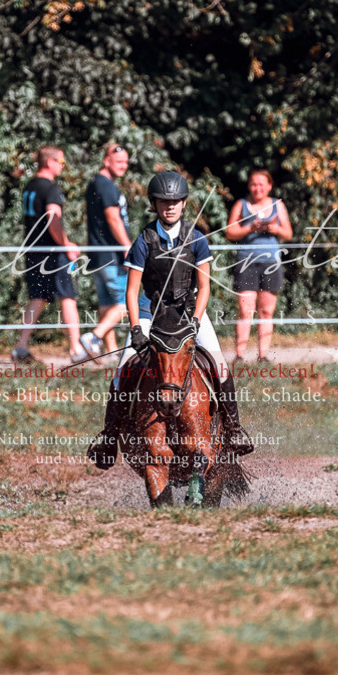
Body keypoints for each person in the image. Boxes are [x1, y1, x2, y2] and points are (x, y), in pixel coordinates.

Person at [87, 170, 254, 467]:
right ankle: (109, 439)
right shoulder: (143, 241)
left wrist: (197, 320)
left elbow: (204, 287)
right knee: (122, 370)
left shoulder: (198, 239)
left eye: (176, 201)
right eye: (164, 201)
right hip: (151, 313)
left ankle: (233, 429)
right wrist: (136, 328)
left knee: (219, 365)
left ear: (184, 203)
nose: (170, 206)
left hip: (188, 314)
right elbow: (132, 289)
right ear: (155, 204)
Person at [12, 144, 86, 363]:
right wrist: (67, 245)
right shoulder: (50, 189)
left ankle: (21, 347)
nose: (63, 166)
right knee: (68, 296)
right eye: (61, 162)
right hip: (52, 252)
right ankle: (76, 350)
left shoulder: (30, 187)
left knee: (38, 297)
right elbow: (53, 220)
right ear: (50, 162)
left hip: (33, 249)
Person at [225, 168, 293, 362]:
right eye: (254, 184)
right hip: (246, 261)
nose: (258, 188)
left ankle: (263, 355)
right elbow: (230, 232)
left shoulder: (277, 205)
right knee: (245, 309)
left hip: (271, 262)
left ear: (269, 186)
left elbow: (288, 233)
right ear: (249, 186)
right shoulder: (241, 205)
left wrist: (276, 228)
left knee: (266, 311)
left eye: (262, 184)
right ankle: (239, 355)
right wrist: (250, 228)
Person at [80, 142, 132, 359]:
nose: (123, 166)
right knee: (124, 303)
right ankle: (94, 337)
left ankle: (109, 352)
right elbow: (113, 218)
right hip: (110, 254)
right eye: (119, 161)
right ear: (106, 161)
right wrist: (127, 246)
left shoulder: (98, 183)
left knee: (106, 303)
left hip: (98, 253)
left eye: (126, 162)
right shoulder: (106, 185)